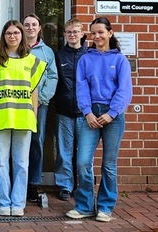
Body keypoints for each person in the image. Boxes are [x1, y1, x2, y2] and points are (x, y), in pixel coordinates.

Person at [66, 17, 132, 223]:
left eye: (100, 32)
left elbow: (125, 90)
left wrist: (111, 113)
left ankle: (105, 207)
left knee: (109, 165)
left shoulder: (120, 60)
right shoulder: (86, 58)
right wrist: (87, 112)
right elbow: (81, 87)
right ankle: (84, 206)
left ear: (110, 33)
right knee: (83, 162)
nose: (96, 36)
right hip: (90, 115)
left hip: (113, 116)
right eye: (93, 33)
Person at [0, 20, 46, 217]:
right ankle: (3, 202)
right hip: (2, 116)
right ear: (3, 36)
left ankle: (18, 202)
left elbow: (34, 92)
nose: (12, 36)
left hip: (23, 117)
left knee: (22, 163)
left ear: (22, 35)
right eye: (8, 33)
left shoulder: (32, 61)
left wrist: (33, 114)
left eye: (16, 33)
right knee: (0, 162)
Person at [22, 13, 58, 202]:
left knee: (36, 142)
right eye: (26, 25)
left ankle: (33, 183)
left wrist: (41, 98)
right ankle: (17, 181)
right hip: (16, 104)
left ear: (39, 28)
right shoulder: (15, 49)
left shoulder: (47, 52)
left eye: (33, 25)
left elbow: (52, 77)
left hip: (39, 105)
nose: (30, 28)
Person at [53, 18, 87, 201]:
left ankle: (83, 184)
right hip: (64, 111)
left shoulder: (90, 55)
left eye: (75, 32)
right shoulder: (59, 56)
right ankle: (65, 186)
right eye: (69, 32)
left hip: (85, 112)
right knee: (64, 150)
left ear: (82, 34)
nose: (72, 35)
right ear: (65, 34)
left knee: (83, 151)